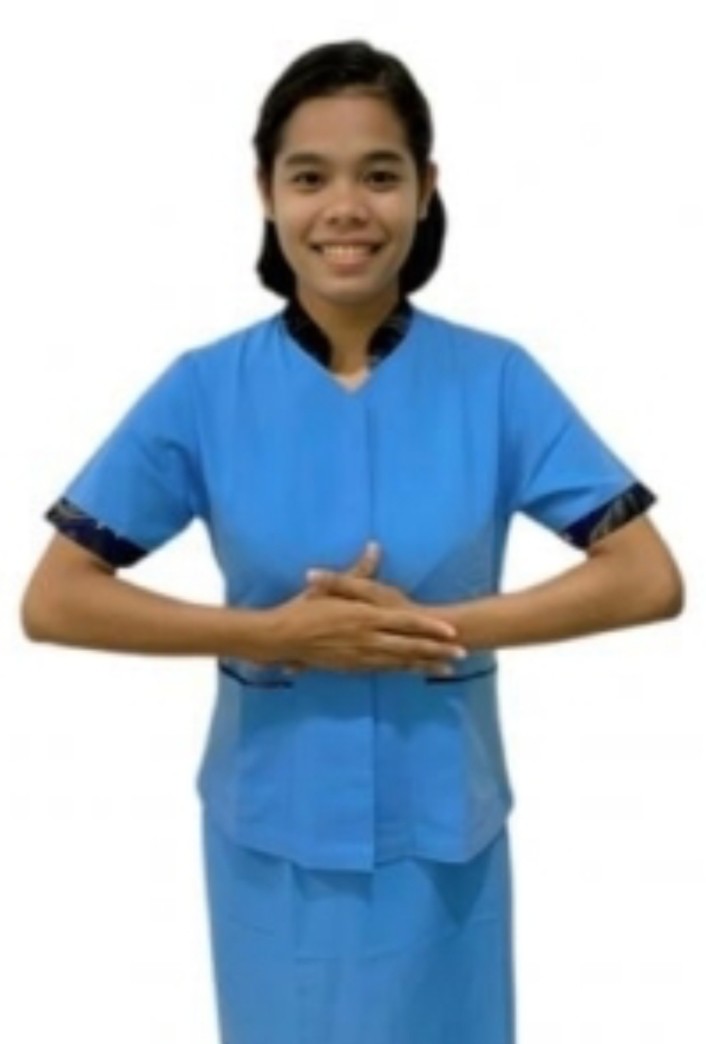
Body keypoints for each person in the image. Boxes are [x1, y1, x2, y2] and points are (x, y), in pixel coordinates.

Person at [21, 38, 683, 1044]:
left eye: (379, 175)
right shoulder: (203, 389)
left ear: (425, 190)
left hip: (445, 831)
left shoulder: (497, 380)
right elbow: (56, 597)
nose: (345, 208)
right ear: (265, 193)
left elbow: (646, 578)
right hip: (270, 832)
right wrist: (274, 634)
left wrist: (433, 627)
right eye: (309, 177)